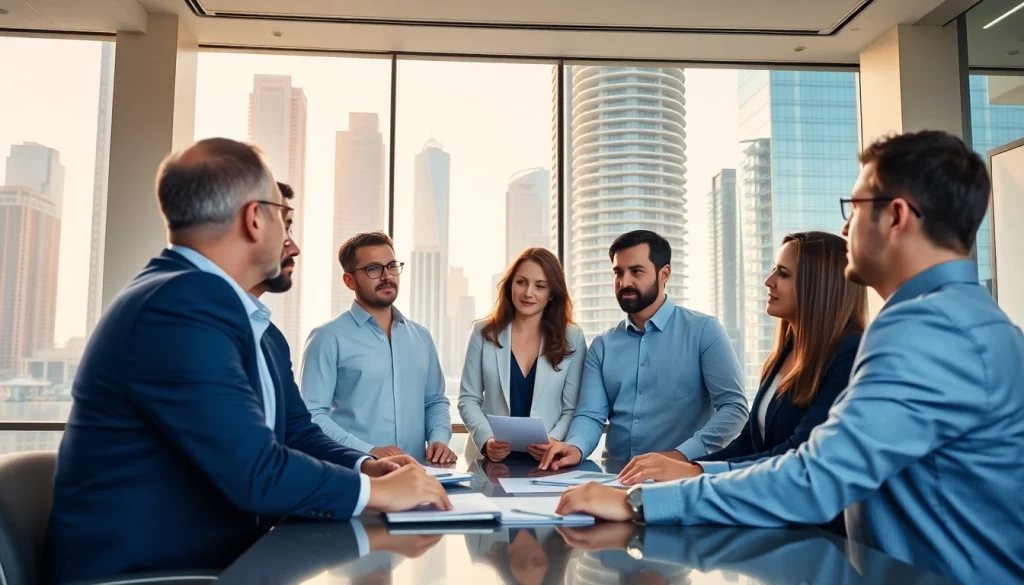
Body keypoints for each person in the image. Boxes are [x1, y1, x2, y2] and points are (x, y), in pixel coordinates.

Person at [555, 131, 1024, 584]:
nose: (845, 227)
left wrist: (640, 504)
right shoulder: (975, 322)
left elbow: (815, 477)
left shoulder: (925, 331)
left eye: (855, 208)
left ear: (896, 216)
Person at [42, 140, 452, 585]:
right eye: (283, 216)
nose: (291, 240)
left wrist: (365, 466)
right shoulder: (178, 304)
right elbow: (256, 469)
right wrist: (377, 492)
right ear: (255, 218)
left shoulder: (257, 328)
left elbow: (297, 431)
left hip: (227, 560)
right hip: (152, 574)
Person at [618, 232, 866, 518]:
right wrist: (688, 469)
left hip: (815, 527)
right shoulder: (784, 354)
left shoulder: (848, 355)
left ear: (818, 287)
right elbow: (749, 441)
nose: (768, 280)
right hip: (767, 511)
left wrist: (695, 471)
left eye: (782, 274)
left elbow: (796, 455)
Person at [538, 230, 748, 470]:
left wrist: (680, 456)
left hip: (679, 478)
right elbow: (590, 415)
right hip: (615, 479)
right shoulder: (602, 345)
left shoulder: (704, 331)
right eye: (618, 272)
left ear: (664, 274)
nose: (624, 282)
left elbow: (734, 408)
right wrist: (575, 447)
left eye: (636, 272)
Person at [301, 231, 456, 464]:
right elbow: (313, 415)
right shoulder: (327, 338)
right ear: (349, 280)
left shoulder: (421, 337)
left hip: (416, 475)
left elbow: (434, 400)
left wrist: (439, 439)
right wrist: (368, 450)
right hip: (354, 475)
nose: (387, 276)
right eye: (373, 268)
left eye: (392, 266)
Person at [458, 247, 587, 462]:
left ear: (552, 293)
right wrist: (487, 441)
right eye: (521, 282)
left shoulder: (572, 337)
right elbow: (468, 399)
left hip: (547, 461)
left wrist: (553, 441)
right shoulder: (483, 333)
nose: (528, 293)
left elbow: (572, 408)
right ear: (510, 285)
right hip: (490, 461)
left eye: (540, 286)